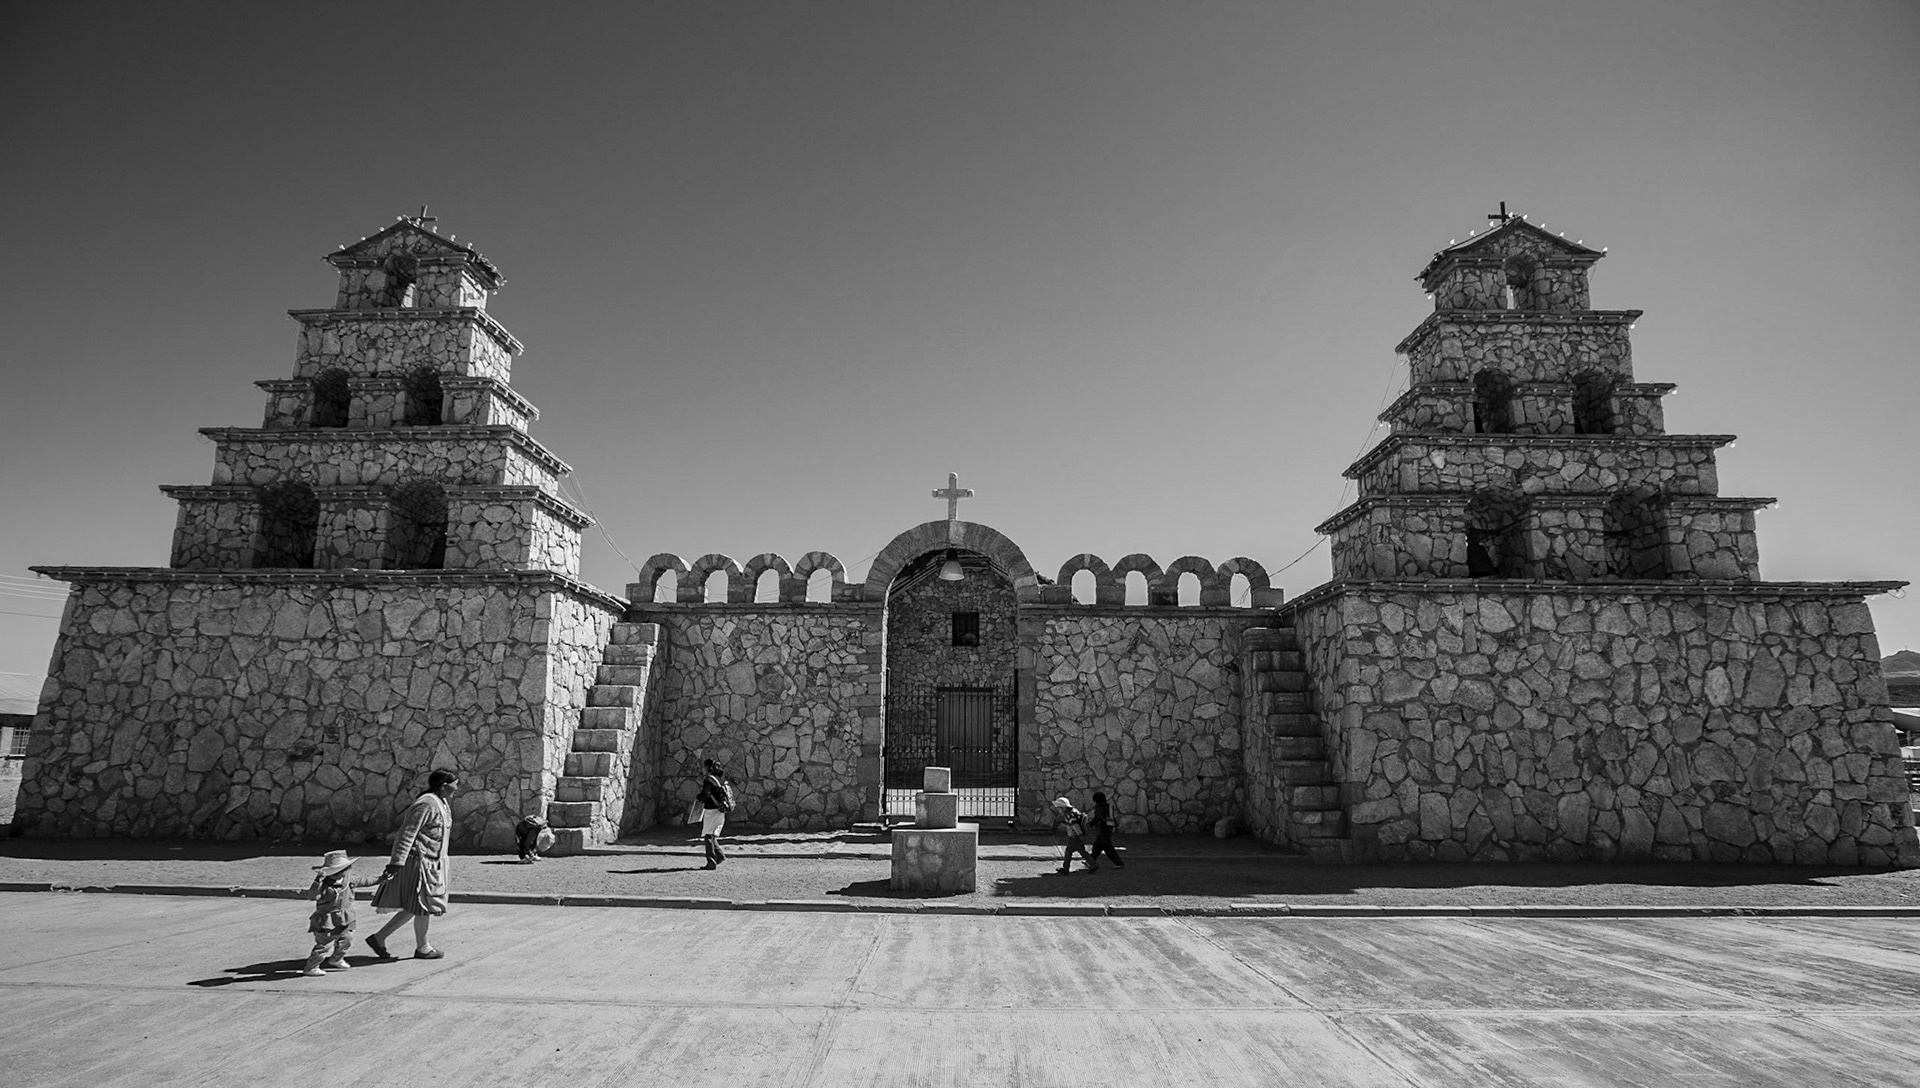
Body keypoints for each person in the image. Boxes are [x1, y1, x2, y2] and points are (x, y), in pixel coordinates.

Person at [367, 768, 458, 961]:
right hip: (419, 861)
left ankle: (380, 938)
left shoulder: (441, 803)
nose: (456, 788)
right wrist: (397, 861)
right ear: (444, 786)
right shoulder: (426, 804)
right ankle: (422, 947)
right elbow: (407, 832)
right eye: (454, 785)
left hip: (432, 861)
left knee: (417, 905)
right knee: (422, 905)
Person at [301, 849, 381, 977]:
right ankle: (311, 967)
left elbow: (366, 881)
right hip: (326, 919)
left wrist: (381, 879)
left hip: (346, 917)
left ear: (348, 869)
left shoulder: (350, 881)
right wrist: (317, 883)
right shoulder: (324, 885)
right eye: (333, 872)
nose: (337, 875)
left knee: (347, 939)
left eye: (341, 871)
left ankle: (336, 958)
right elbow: (312, 896)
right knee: (325, 944)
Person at [696, 759, 734, 869]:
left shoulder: (708, 780)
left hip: (711, 811)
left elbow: (705, 794)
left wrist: (698, 797)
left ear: (707, 767)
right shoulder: (719, 779)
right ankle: (719, 855)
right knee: (711, 835)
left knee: (708, 835)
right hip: (720, 810)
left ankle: (711, 861)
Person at [1051, 796, 1097, 873]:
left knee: (1068, 852)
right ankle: (1093, 864)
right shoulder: (1074, 811)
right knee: (1082, 851)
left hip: (1074, 837)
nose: (1058, 811)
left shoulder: (1069, 815)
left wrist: (1080, 835)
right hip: (1078, 836)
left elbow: (1075, 826)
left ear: (1063, 808)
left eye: (1059, 809)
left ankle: (1065, 869)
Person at [1088, 791, 1125, 868]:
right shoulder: (1109, 806)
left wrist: (1089, 824)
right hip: (1109, 828)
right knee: (1097, 846)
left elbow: (1097, 818)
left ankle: (1118, 863)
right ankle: (1090, 861)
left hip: (1102, 830)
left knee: (1107, 848)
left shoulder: (1099, 807)